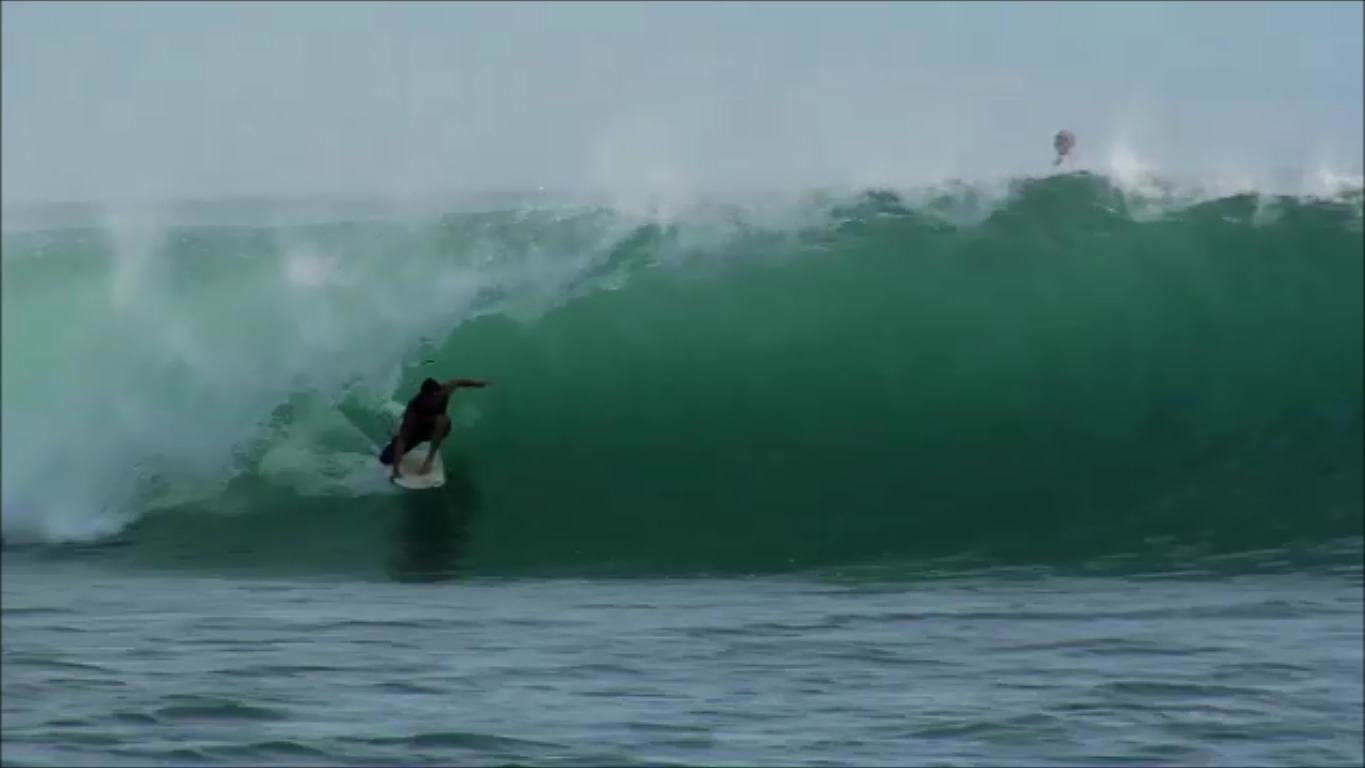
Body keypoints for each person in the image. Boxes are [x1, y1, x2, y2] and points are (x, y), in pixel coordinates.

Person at [379, 376, 491, 478]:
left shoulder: (444, 390)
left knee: (441, 421)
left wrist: (479, 383)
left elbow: (458, 382)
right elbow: (402, 440)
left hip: (436, 427)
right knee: (385, 458)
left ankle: (429, 459)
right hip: (418, 429)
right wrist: (396, 470)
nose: (436, 398)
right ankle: (394, 438)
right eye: (431, 398)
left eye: (437, 395)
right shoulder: (415, 406)